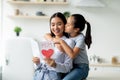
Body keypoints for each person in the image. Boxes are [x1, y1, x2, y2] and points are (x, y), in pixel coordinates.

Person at [44, 14, 92, 80]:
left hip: (81, 67)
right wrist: (54, 41)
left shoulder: (80, 38)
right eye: (66, 23)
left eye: (68, 25)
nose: (65, 25)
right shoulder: (69, 35)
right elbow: (46, 35)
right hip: (72, 67)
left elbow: (72, 55)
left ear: (76, 29)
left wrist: (61, 42)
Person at [32, 12, 75, 80]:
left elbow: (68, 67)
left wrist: (55, 65)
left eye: (59, 24)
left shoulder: (69, 42)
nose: (55, 27)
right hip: (38, 75)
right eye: (53, 24)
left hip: (53, 77)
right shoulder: (46, 40)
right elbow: (41, 64)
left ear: (64, 25)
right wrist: (37, 62)